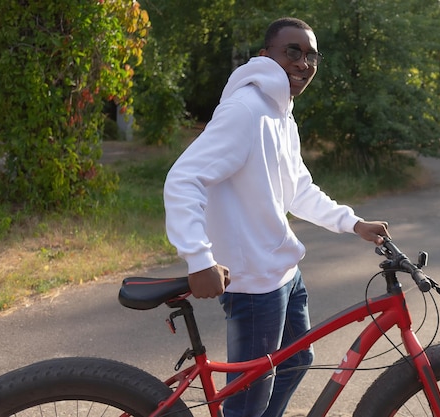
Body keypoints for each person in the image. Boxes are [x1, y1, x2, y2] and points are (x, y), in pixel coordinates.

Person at [164, 17, 390, 417]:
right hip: (254, 285)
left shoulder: (282, 116)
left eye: (311, 56)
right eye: (293, 52)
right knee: (247, 402)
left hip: (284, 273)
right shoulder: (246, 110)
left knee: (297, 361)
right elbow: (184, 179)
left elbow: (299, 189)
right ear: (265, 54)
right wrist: (199, 259)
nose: (304, 63)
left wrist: (352, 223)